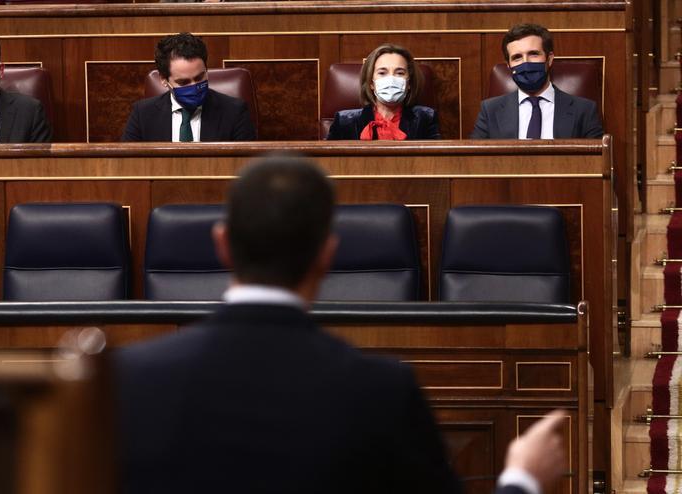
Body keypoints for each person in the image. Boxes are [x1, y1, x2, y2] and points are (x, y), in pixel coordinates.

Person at [112, 154, 566, 494]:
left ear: (222, 244)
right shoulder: (382, 390)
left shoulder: (127, 379)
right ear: (328, 254)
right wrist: (522, 479)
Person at [470, 23, 603, 139]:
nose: (526, 63)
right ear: (509, 65)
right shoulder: (489, 111)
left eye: (533, 54)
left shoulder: (584, 110)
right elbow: (475, 162)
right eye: (517, 57)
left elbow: (596, 162)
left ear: (549, 59)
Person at [121, 32, 256, 142]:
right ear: (163, 79)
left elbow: (246, 169)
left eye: (199, 78)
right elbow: (128, 167)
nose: (194, 86)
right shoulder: (143, 114)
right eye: (183, 82)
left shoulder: (234, 112)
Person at [327, 43, 441, 140]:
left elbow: (434, 162)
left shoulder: (426, 118)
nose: (391, 79)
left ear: (409, 83)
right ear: (371, 83)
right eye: (382, 73)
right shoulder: (344, 121)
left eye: (400, 73)